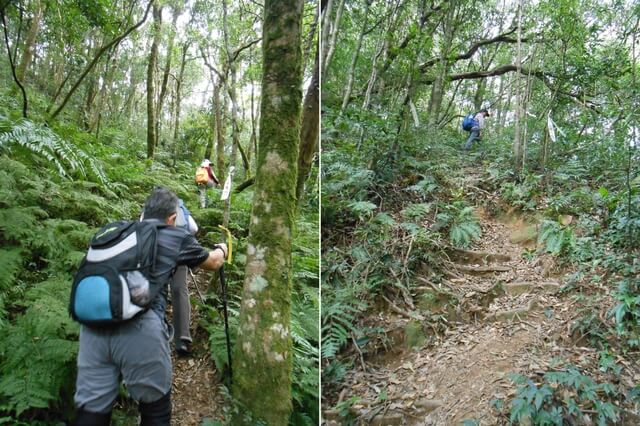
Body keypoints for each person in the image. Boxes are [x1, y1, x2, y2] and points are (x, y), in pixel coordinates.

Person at [73, 187, 227, 426]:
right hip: (140, 329)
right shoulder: (174, 235)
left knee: (91, 412)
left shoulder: (119, 232)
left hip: (92, 329)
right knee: (155, 411)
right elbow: (213, 262)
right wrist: (222, 249)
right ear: (173, 218)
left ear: (143, 214)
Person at [172, 199, 198, 355]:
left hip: (156, 254)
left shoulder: (151, 207)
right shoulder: (180, 207)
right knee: (179, 290)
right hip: (179, 252)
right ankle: (182, 338)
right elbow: (194, 228)